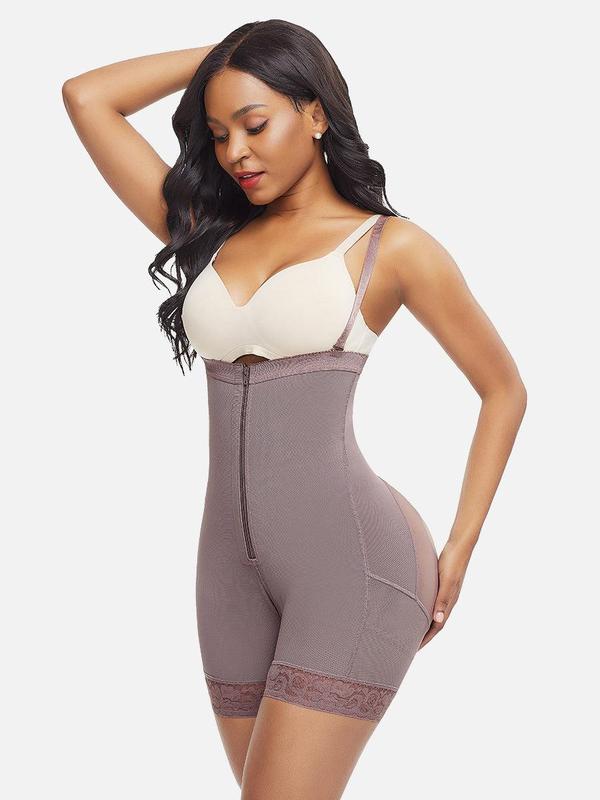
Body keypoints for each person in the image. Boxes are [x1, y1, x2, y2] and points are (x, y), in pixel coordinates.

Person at [62, 19, 527, 799]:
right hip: (225, 575)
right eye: (218, 134)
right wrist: (228, 53)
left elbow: (503, 388)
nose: (235, 153)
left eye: (255, 124)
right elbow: (86, 97)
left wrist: (461, 547)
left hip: (354, 565)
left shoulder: (390, 247)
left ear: (314, 112)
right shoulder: (205, 234)